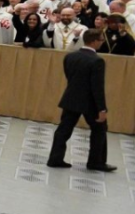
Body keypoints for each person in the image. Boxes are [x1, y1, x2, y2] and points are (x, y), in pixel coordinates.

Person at [47, 29, 116, 172]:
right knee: (99, 130)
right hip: (90, 102)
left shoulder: (70, 56)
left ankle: (55, 158)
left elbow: (69, 77)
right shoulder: (97, 60)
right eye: (101, 40)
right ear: (95, 41)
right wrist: (102, 108)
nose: (102, 42)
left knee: (63, 130)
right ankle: (96, 162)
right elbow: (97, 87)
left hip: (71, 98)